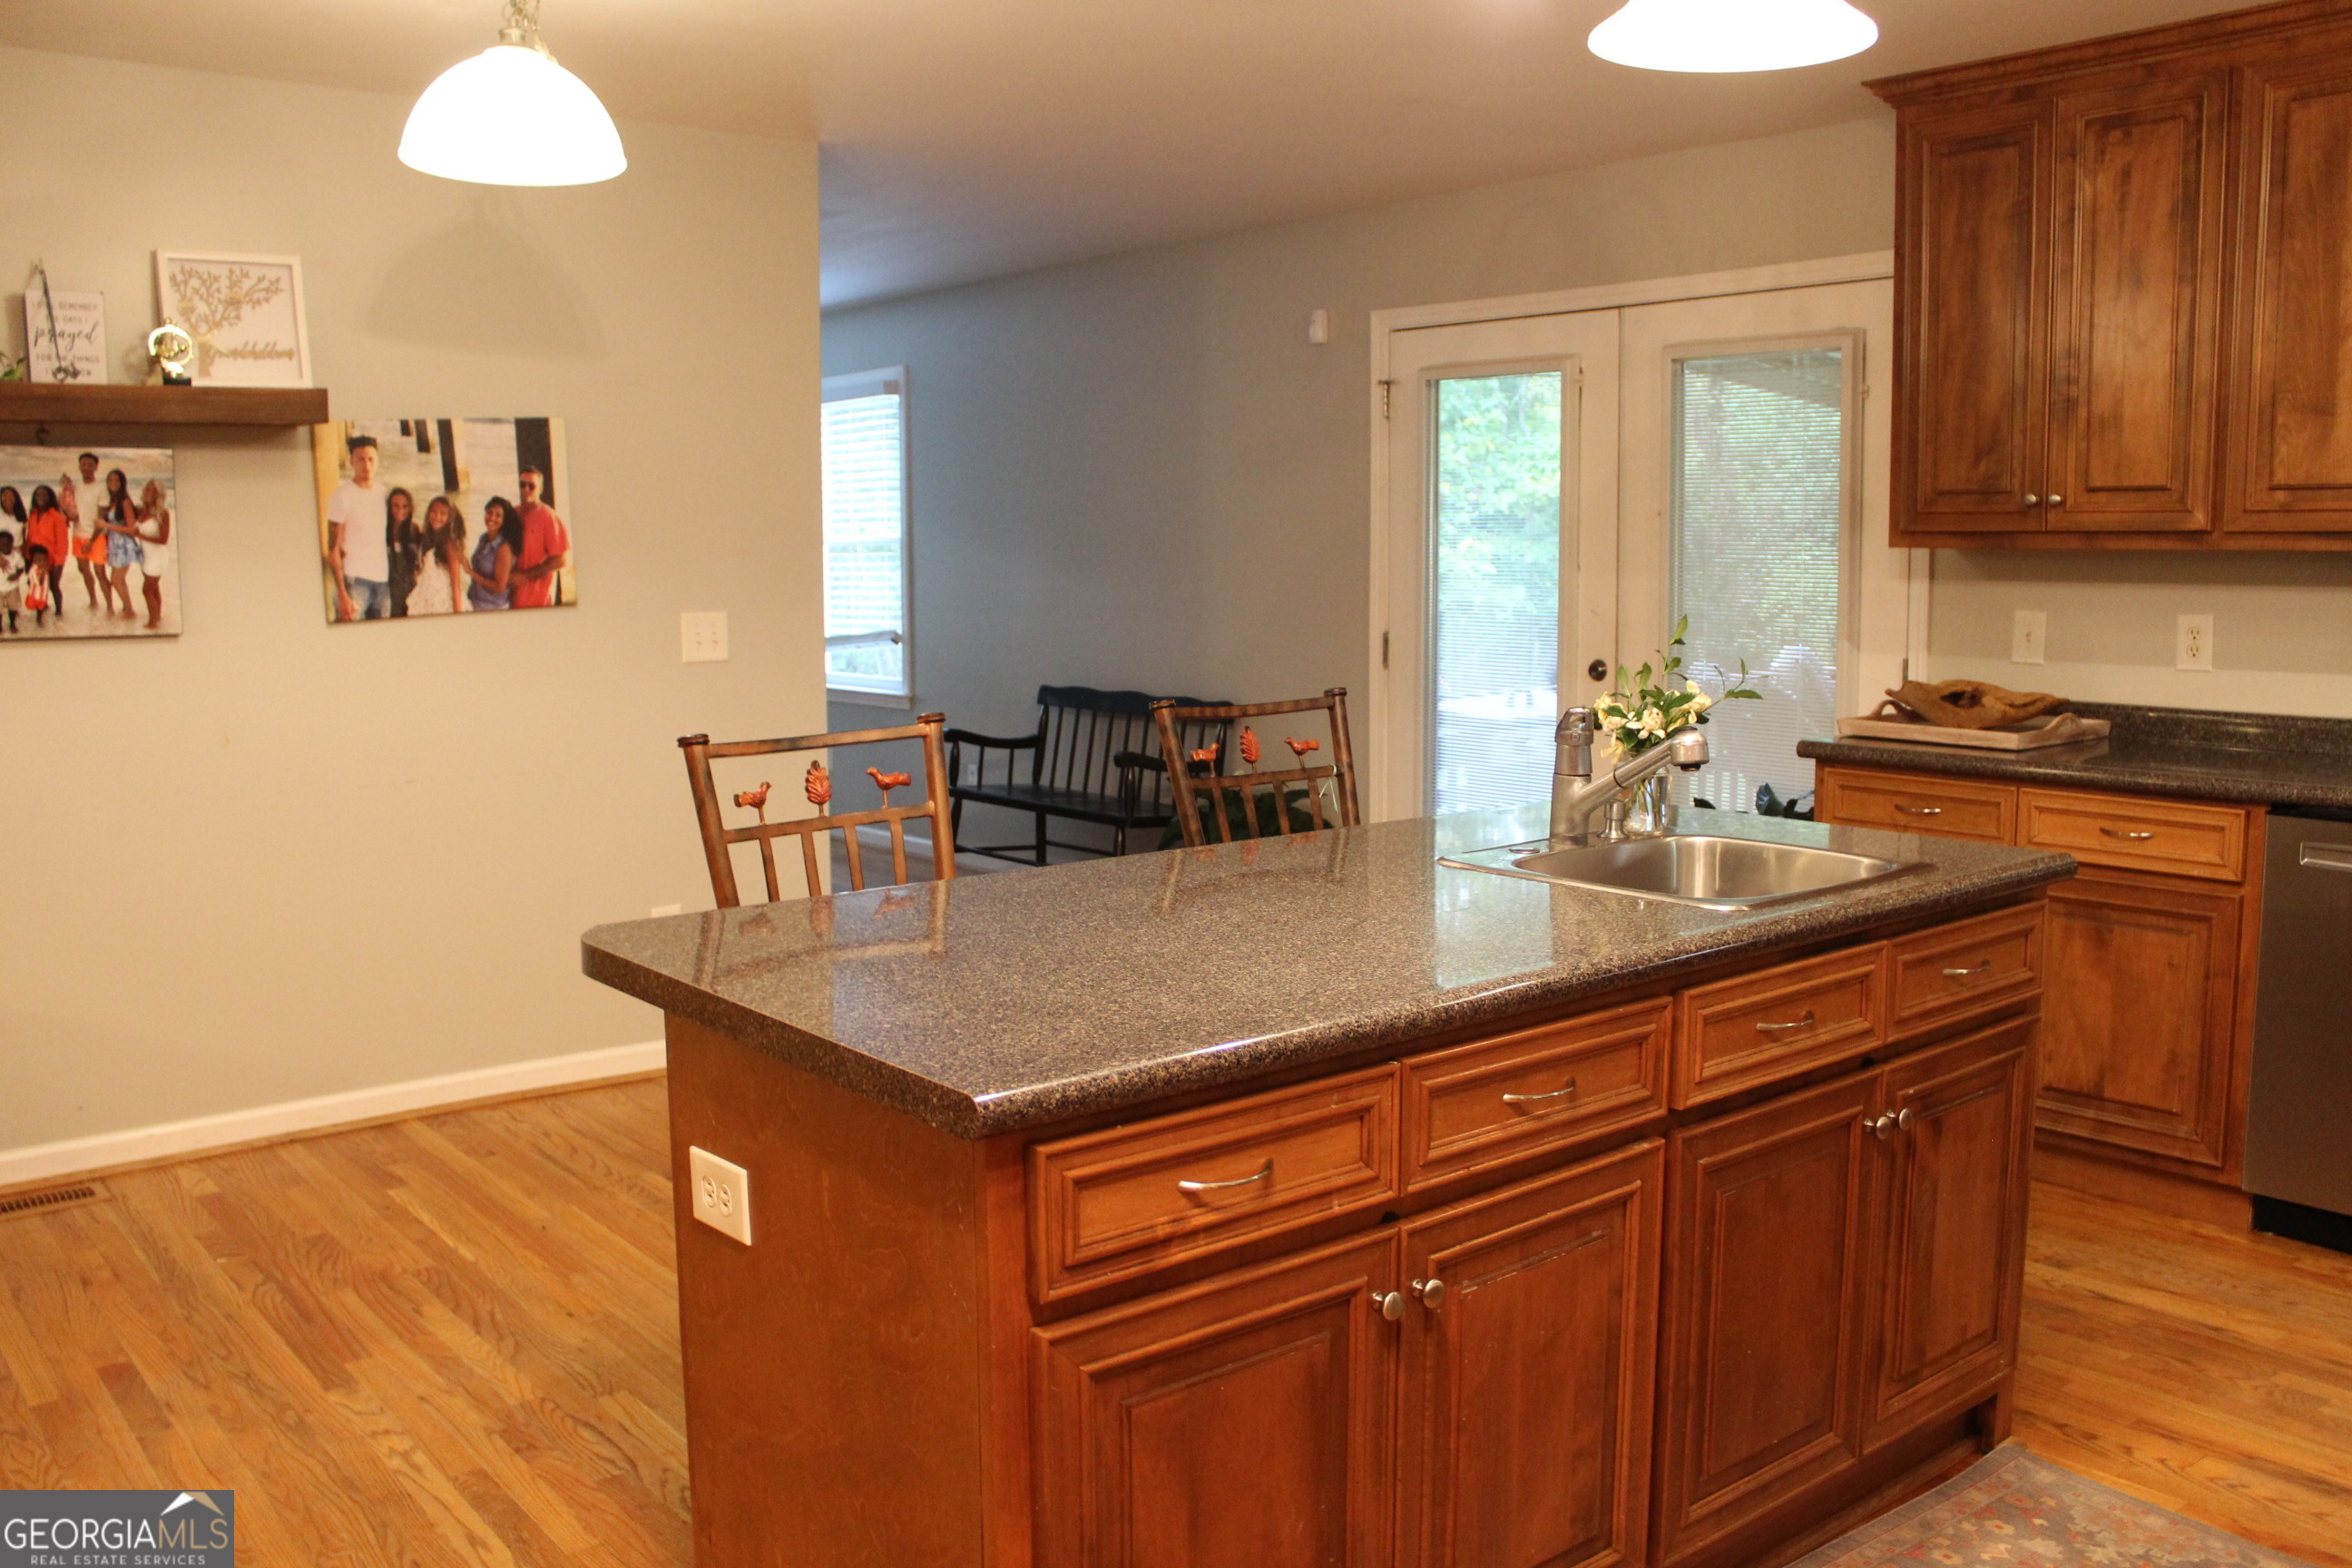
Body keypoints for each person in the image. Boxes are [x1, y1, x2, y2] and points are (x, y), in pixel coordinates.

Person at [325, 435, 392, 621]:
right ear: (351, 462)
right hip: (354, 582)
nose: (367, 465)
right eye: (360, 459)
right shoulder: (342, 496)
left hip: (383, 581)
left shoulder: (384, 494)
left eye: (371, 459)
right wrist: (342, 593)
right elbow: (333, 549)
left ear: (377, 460)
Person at [508, 466, 570, 609]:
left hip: (539, 597)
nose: (526, 489)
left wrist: (525, 576)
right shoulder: (512, 514)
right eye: (522, 485)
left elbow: (561, 560)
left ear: (540, 489)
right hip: (512, 596)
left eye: (532, 486)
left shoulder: (549, 517)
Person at [64, 452, 111, 615]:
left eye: (90, 465)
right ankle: (93, 601)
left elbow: (101, 517)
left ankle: (110, 607)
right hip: (78, 535)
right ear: (79, 467)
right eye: (83, 464)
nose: (86, 468)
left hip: (97, 536)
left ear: (96, 467)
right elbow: (67, 507)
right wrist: (65, 487)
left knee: (100, 573)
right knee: (83, 570)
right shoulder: (75, 487)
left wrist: (92, 541)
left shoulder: (101, 487)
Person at [405, 495, 466, 616]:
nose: (437, 517)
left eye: (443, 514)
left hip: (442, 602)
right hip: (427, 598)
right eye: (434, 511)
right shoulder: (429, 538)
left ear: (449, 518)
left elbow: (456, 584)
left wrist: (458, 614)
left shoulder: (450, 544)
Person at [97, 468, 141, 621]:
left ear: (122, 483)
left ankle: (130, 610)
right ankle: (127, 608)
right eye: (110, 480)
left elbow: (132, 529)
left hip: (124, 544)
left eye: (116, 480)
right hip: (115, 544)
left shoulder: (125, 502)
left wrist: (107, 526)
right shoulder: (113, 501)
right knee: (120, 580)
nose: (113, 483)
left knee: (115, 580)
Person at [467, 495, 521, 611]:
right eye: (489, 513)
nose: (492, 518)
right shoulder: (484, 538)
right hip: (474, 601)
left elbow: (500, 587)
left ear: (504, 520)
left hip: (493, 607)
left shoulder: (503, 548)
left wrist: (471, 573)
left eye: (498, 515)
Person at [23, 485, 69, 619]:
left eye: (44, 495)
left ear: (50, 498)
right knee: (35, 583)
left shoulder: (58, 517)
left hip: (53, 558)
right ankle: (43, 605)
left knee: (54, 585)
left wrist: (58, 563)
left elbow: (63, 543)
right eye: (38, 495)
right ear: (34, 498)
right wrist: (27, 558)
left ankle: (59, 612)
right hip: (35, 557)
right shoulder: (33, 514)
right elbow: (29, 537)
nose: (41, 498)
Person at [134, 479, 172, 632]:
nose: (148, 492)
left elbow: (164, 540)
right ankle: (158, 618)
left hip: (157, 557)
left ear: (159, 494)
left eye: (152, 490)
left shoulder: (163, 513)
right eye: (147, 489)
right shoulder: (141, 509)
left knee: (147, 590)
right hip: (146, 556)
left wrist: (140, 536)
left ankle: (153, 623)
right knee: (154, 588)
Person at [382, 487, 418, 618]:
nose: (400, 510)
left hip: (411, 590)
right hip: (388, 591)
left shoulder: (415, 530)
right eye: (395, 506)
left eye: (405, 506)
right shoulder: (382, 530)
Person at [21, 543, 52, 628]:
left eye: (44, 559)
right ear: (33, 560)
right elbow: (39, 583)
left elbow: (47, 582)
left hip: (43, 594)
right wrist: (43, 572)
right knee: (36, 606)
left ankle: (39, 618)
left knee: (41, 608)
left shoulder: (44, 567)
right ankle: (37, 618)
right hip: (35, 595)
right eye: (39, 559)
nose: (42, 561)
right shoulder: (33, 570)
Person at [0, 530, 24, 634]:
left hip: (12, 587)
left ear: (11, 544)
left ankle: (12, 624)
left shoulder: (17, 557)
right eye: (1, 544)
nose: (4, 546)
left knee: (13, 608)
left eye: (6, 544)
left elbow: (21, 568)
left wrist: (16, 576)